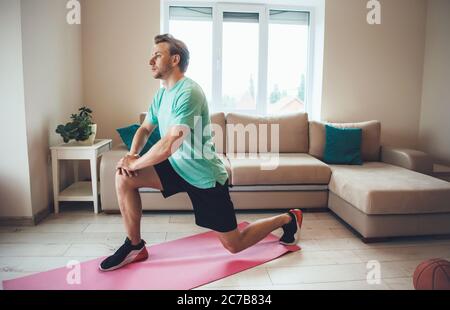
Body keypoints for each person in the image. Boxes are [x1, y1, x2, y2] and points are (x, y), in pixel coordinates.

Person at [99, 34, 303, 272]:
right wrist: (132, 155)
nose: (150, 60)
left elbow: (169, 144)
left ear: (175, 59)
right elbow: (145, 128)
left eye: (157, 55)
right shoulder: (162, 93)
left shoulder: (189, 92)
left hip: (203, 175)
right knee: (123, 176)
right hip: (176, 166)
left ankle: (288, 218)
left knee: (234, 245)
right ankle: (135, 246)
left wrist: (135, 163)